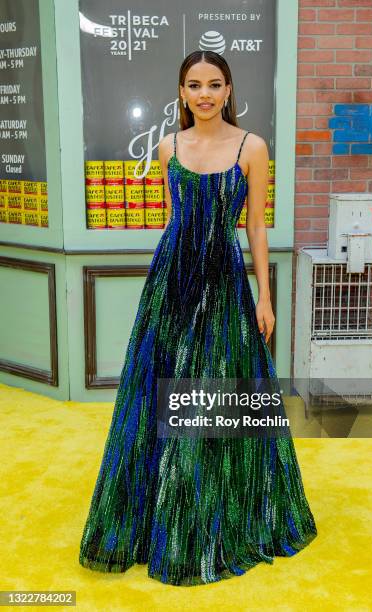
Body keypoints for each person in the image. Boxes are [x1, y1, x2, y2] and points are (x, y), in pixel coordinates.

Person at [79, 50, 317, 587]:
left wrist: (265, 295)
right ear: (182, 92)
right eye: (194, 85)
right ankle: (161, 514)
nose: (204, 94)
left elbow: (255, 226)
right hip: (173, 282)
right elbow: (175, 222)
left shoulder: (251, 147)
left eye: (214, 84)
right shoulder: (169, 148)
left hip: (226, 282)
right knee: (161, 393)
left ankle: (212, 519)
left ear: (228, 89)